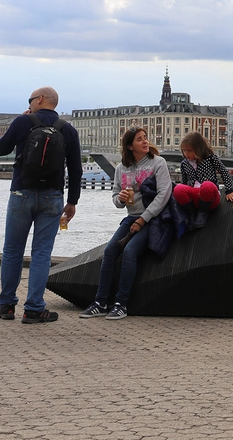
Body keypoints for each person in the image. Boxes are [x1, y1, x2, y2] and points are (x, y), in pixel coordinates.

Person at [0, 87, 82, 323]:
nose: (30, 103)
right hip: (52, 198)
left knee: (13, 250)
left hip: (21, 194)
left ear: (40, 99)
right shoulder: (68, 129)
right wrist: (72, 201)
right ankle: (33, 308)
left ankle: (6, 306)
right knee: (41, 253)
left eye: (30, 100)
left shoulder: (23, 122)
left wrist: (21, 120)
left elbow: (0, 149)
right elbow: (76, 169)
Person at [79, 127, 172, 320]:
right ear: (130, 146)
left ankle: (121, 304)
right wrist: (120, 199)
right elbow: (115, 198)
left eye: (146, 138)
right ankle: (100, 302)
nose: (145, 142)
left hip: (152, 219)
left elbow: (164, 194)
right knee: (110, 251)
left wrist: (143, 219)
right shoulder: (121, 168)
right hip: (131, 217)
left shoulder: (158, 163)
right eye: (140, 139)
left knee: (130, 252)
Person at [174, 132, 233, 228]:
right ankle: (192, 213)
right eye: (184, 150)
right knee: (178, 189)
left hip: (210, 197)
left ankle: (202, 212)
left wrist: (229, 190)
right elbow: (184, 182)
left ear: (198, 149)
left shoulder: (211, 158)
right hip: (194, 196)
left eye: (189, 150)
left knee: (207, 185)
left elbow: (224, 172)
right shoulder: (184, 164)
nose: (186, 154)